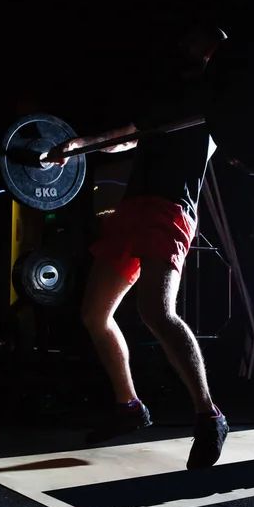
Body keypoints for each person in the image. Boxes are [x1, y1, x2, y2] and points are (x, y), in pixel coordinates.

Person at [52, 23, 229, 470]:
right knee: (95, 314)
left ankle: (209, 416)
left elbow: (249, 139)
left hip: (171, 209)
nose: (186, 42)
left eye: (197, 37)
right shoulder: (168, 95)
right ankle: (129, 406)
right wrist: (78, 147)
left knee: (156, 311)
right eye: (187, 38)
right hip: (132, 208)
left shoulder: (221, 96)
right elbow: (130, 135)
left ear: (215, 47)